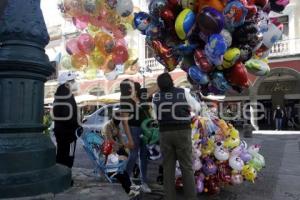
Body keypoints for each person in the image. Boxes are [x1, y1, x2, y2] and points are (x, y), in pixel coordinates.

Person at [152, 73, 200, 200]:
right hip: (182, 132)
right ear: (172, 81)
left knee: (168, 168)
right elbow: (197, 107)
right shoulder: (183, 92)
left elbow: (155, 116)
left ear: (159, 85)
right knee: (187, 167)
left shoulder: (155, 97)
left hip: (164, 133)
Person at [119, 79, 155, 193]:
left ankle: (144, 182)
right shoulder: (125, 100)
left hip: (146, 129)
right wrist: (129, 139)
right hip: (134, 129)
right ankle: (126, 180)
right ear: (129, 88)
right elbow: (124, 122)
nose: (133, 81)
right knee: (133, 155)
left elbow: (156, 87)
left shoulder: (142, 93)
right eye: (131, 82)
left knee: (144, 155)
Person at [101, 114, 140, 198]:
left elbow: (120, 137)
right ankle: (130, 189)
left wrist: (124, 145)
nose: (119, 123)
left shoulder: (116, 126)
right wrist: (119, 146)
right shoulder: (108, 126)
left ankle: (131, 186)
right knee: (122, 173)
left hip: (114, 149)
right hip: (108, 145)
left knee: (124, 156)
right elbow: (110, 140)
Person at [53, 71, 80, 169]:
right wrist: (77, 124)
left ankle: (61, 175)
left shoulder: (59, 95)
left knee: (61, 154)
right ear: (66, 83)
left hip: (61, 132)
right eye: (72, 81)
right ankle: (66, 176)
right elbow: (67, 115)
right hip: (69, 134)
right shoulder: (67, 96)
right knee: (68, 156)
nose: (74, 82)